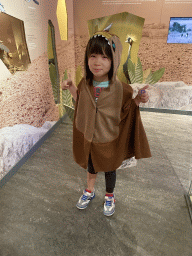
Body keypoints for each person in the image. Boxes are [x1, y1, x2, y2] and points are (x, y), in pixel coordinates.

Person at [61, 30, 151, 216]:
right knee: (91, 167)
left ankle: (109, 195)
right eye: (93, 56)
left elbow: (128, 108)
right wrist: (71, 87)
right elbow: (81, 103)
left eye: (104, 57)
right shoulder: (85, 84)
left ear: (113, 60)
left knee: (110, 169)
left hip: (109, 138)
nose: (97, 62)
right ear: (87, 59)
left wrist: (140, 99)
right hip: (91, 138)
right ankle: (89, 190)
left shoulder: (121, 89)